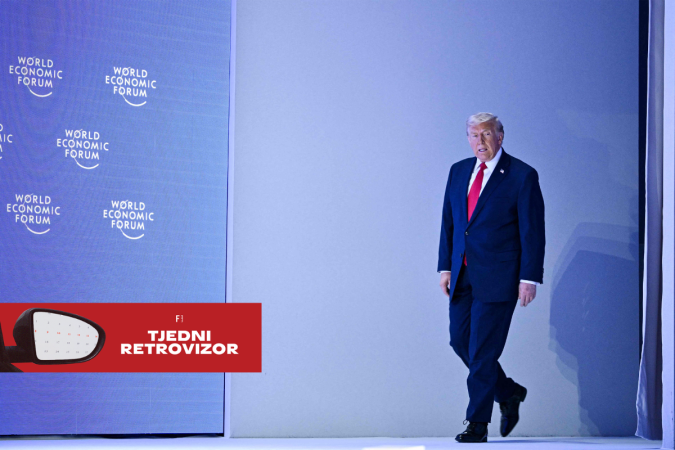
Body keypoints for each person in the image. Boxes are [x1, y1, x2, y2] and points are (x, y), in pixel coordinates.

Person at [438, 112, 545, 443]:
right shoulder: (458, 171)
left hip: (500, 275)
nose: (480, 141)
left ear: (500, 136)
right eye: (474, 135)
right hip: (463, 273)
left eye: (486, 134)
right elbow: (450, 222)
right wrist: (445, 267)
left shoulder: (521, 175)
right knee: (460, 341)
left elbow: (532, 231)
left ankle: (477, 423)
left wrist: (529, 277)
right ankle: (508, 392)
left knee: (483, 350)